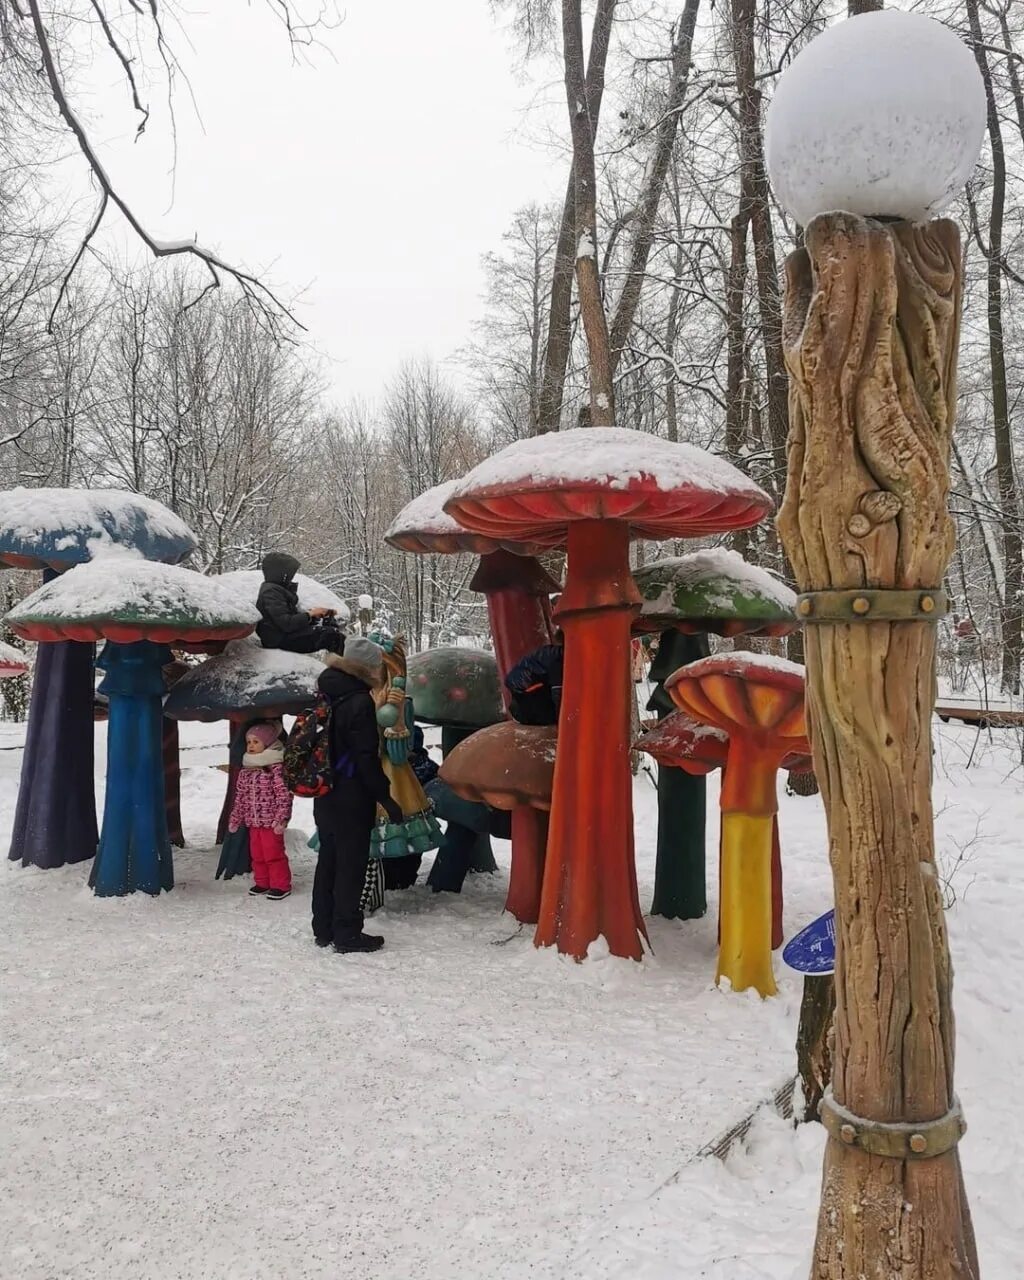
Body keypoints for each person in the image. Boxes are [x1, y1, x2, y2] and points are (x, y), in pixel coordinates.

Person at [312, 637, 403, 953]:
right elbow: (365, 757)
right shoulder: (359, 701)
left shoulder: (324, 691)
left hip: (324, 792)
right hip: (350, 796)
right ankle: (347, 933)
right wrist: (386, 798)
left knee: (329, 858)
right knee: (351, 865)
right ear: (368, 668)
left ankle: (323, 927)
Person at [228, 719, 293, 900]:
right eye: (249, 742)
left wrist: (281, 818)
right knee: (257, 854)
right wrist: (236, 818)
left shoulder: (275, 768)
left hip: (271, 821)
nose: (251, 746)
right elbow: (241, 797)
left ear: (267, 743)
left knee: (273, 853)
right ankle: (263, 882)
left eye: (256, 742)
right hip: (253, 821)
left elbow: (284, 795)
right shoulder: (247, 769)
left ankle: (281, 884)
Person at [256, 552, 343, 654]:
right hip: (278, 640)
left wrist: (313, 617)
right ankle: (350, 666)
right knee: (330, 635)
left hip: (283, 636)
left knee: (330, 628)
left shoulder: (277, 590)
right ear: (281, 573)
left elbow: (287, 618)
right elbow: (286, 623)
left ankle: (345, 664)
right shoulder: (271, 592)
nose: (291, 577)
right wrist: (310, 614)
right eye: (290, 573)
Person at [504, 632, 564, 726]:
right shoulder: (557, 658)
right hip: (526, 695)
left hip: (523, 690)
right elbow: (558, 694)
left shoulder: (552, 653)